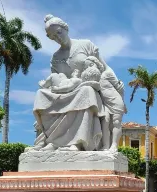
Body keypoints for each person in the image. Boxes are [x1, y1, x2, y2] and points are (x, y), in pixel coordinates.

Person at [29, 14, 125, 152]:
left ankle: (77, 142)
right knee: (41, 95)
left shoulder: (86, 45)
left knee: (85, 92)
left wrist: (116, 82)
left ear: (65, 28)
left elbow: (105, 67)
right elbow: (55, 78)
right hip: (66, 90)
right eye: (53, 36)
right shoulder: (55, 57)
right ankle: (53, 141)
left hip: (88, 88)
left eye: (59, 33)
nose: (57, 38)